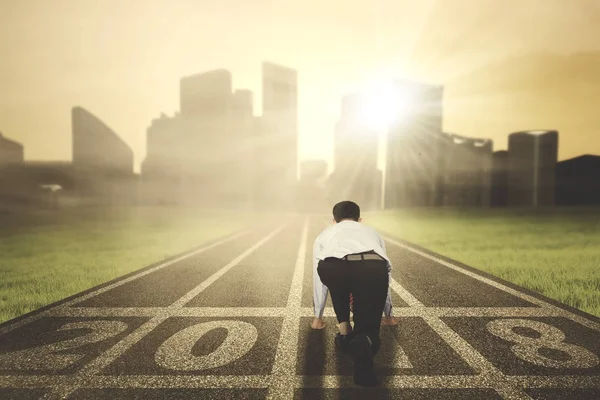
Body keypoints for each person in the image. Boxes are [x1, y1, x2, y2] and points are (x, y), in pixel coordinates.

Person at [311, 200, 400, 386]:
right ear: (360, 220)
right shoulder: (372, 232)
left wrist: (317, 317)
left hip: (334, 267)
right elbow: (386, 273)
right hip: (372, 267)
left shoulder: (324, 234)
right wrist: (389, 315)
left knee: (337, 279)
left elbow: (319, 280)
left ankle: (344, 329)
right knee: (369, 333)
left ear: (333, 221)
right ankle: (363, 338)